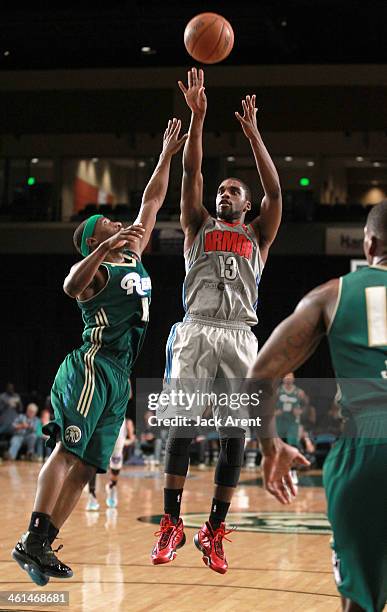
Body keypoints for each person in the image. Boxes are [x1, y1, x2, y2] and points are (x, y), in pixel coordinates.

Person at [12, 118, 187, 587]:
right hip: (91, 365)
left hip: (118, 377)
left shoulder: (132, 256)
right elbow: (70, 286)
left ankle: (44, 543)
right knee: (68, 451)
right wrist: (104, 245)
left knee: (90, 463)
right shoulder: (96, 273)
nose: (120, 223)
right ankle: (31, 535)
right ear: (95, 240)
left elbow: (151, 201)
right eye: (108, 225)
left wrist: (167, 154)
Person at [151, 68, 282, 574]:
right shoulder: (196, 224)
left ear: (247, 206)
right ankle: (171, 522)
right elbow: (192, 174)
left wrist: (254, 134)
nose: (224, 195)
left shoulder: (260, 235)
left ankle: (215, 528)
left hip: (239, 337)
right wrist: (198, 118)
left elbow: (274, 190)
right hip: (197, 330)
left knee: (236, 437)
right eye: (222, 190)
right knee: (180, 430)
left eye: (233, 192)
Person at [246, 200, 387, 611]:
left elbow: (259, 375)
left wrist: (270, 448)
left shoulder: (332, 294)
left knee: (359, 601)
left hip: (367, 444)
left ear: (369, 243)